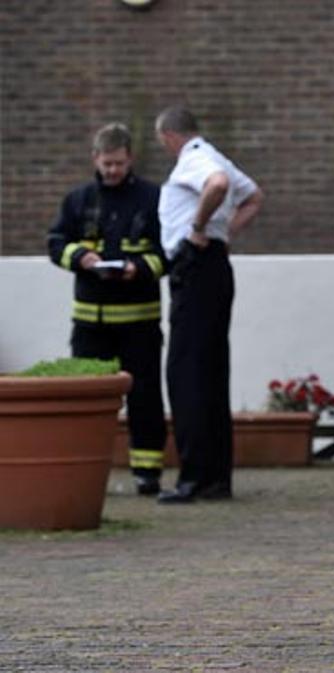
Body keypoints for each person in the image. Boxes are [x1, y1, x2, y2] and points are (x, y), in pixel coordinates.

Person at [47, 122, 168, 496]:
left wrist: (140, 268)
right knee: (86, 399)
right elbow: (56, 243)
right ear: (95, 159)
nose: (112, 170)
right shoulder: (78, 200)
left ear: (130, 158)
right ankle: (83, 470)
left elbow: (168, 252)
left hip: (139, 322)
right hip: (90, 323)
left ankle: (147, 473)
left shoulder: (153, 199)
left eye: (118, 163)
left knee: (145, 397)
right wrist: (81, 257)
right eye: (106, 163)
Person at [154, 106, 264, 504]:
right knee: (210, 370)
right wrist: (223, 233)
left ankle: (194, 478)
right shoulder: (217, 155)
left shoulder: (195, 160)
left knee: (186, 372)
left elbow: (216, 185)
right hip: (214, 266)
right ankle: (215, 478)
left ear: (167, 136)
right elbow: (253, 195)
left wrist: (199, 229)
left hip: (196, 266)